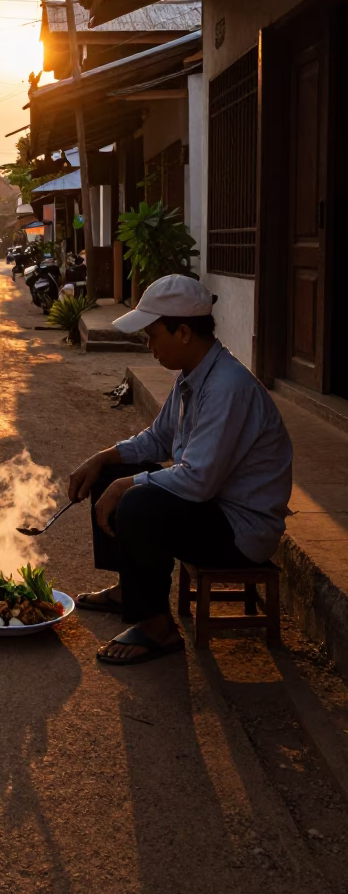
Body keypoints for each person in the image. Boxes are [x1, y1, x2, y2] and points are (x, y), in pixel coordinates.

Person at [68, 274, 293, 667]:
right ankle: (129, 588)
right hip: (213, 508)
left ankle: (158, 626)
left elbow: (198, 480)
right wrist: (104, 458)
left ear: (184, 332)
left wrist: (128, 485)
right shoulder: (192, 377)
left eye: (153, 335)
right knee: (113, 473)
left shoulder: (227, 387)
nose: (149, 344)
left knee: (137, 502)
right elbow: (157, 439)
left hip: (241, 530)